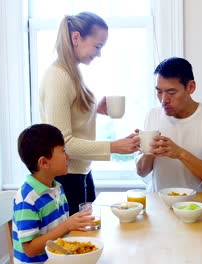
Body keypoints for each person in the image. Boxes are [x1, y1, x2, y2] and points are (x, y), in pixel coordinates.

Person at [39, 12, 139, 215]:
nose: (99, 53)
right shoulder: (59, 77)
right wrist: (114, 147)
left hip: (80, 173)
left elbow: (70, 116)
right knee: (76, 243)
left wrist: (93, 109)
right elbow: (64, 143)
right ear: (76, 38)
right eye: (98, 46)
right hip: (67, 179)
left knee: (88, 238)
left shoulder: (71, 73)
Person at [135, 57, 202, 192]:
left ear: (191, 87)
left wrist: (180, 153)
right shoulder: (152, 115)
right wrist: (148, 150)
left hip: (195, 207)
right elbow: (141, 172)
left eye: (171, 92)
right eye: (159, 91)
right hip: (157, 203)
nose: (164, 100)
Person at [13, 124, 96, 264]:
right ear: (44, 162)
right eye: (63, 151)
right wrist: (67, 226)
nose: (68, 157)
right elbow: (30, 249)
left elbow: (60, 233)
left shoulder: (57, 187)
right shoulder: (27, 199)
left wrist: (73, 225)